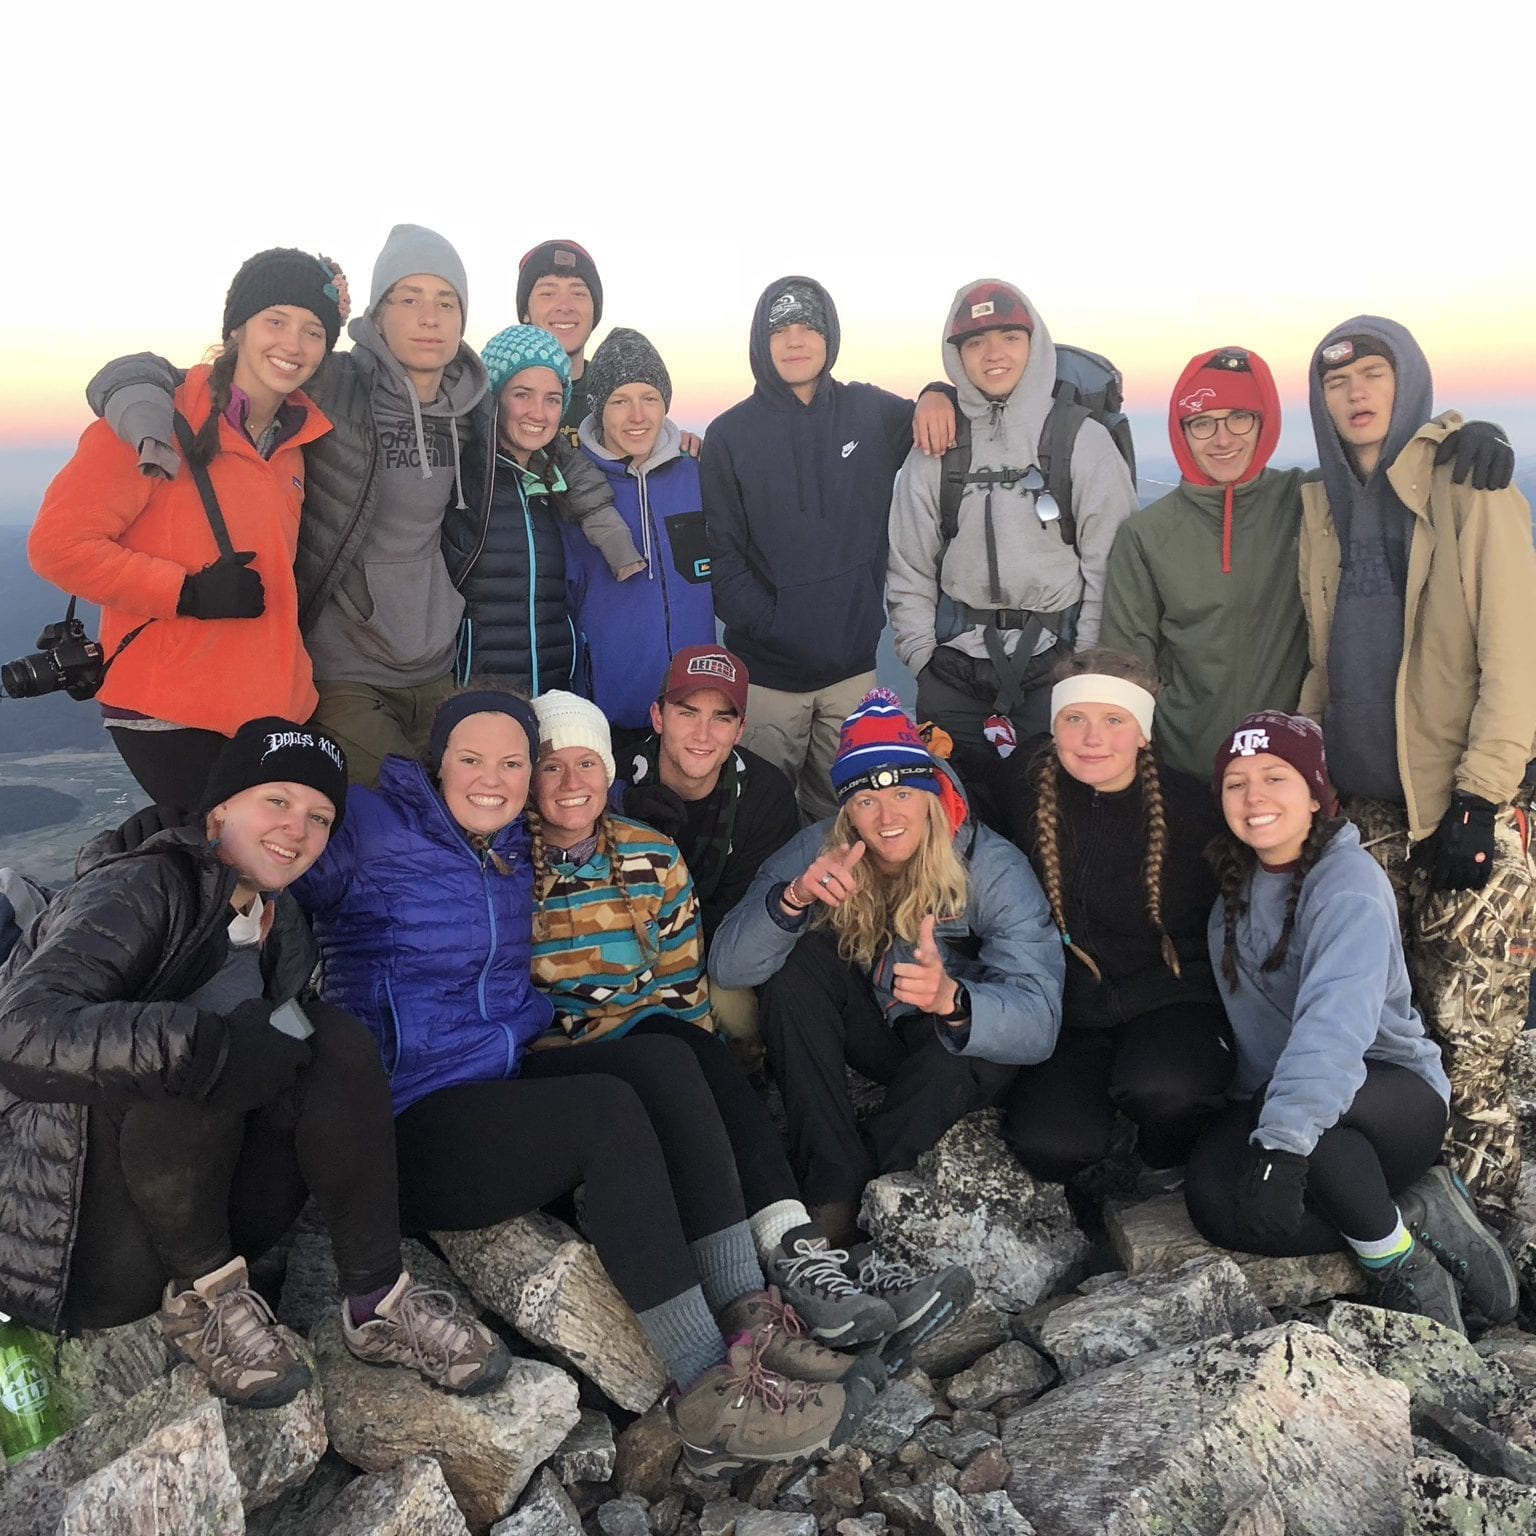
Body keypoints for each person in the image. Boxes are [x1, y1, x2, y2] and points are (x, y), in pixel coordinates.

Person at [293, 688, 881, 1470]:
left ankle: (750, 1319)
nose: (494, 778)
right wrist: (182, 862)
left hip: (496, 1088)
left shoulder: (507, 851)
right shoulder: (374, 830)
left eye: (511, 761)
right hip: (409, 1120)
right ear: (439, 765)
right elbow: (281, 851)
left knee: (668, 1055)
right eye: (472, 759)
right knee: (605, 1112)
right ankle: (710, 1392)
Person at [0, 719, 508, 1406]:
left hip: (216, 1206)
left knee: (331, 1036)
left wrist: (279, 1032)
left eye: (319, 816)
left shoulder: (282, 922)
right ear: (218, 812)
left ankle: (378, 1305)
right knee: (194, 1047)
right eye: (276, 800)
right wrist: (207, 1046)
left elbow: (289, 1023)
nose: (297, 829)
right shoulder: (145, 888)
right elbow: (20, 1032)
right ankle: (206, 1303)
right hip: (89, 1243)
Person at [84, 225, 642, 789]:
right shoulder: (337, 383)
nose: (429, 316)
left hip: (436, 663)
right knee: (406, 809)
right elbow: (217, 375)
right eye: (409, 298)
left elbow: (547, 444)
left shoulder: (469, 407)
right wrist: (132, 391)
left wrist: (669, 445)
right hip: (346, 664)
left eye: (446, 302)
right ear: (378, 314)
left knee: (455, 813)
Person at [527, 690, 970, 1366]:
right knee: (675, 1061)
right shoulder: (506, 869)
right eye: (552, 766)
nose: (571, 784)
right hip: (560, 1052)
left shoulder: (650, 854)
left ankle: (799, 1266)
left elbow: (683, 985)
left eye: (586, 764)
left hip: (653, 1042)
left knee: (692, 1054)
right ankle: (768, 1300)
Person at [1298, 316, 1536, 1216]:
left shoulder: (1470, 486)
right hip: (1364, 810)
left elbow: (1516, 656)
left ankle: (1498, 1240)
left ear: (1410, 383)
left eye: (1373, 373)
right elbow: (1325, 657)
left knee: (1472, 1037)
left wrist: (1482, 796)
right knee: (1390, 1035)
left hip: (1461, 804)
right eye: (1336, 381)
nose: (1356, 393)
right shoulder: (1321, 505)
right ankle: (1410, 1213)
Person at [1184, 712, 1520, 1335]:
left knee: (1321, 1140)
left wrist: (1280, 1147)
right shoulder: (1236, 885)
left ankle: (1394, 1260)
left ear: (1315, 794)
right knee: (1213, 1203)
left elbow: (1333, 1029)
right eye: (1236, 783)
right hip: (1299, 1092)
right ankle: (1414, 1207)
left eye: (1275, 778)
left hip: (1390, 1096)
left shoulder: (1348, 886)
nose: (1254, 797)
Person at [710, 687, 1065, 1243]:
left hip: (954, 1043)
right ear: (847, 807)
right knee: (796, 961)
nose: (886, 816)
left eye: (903, 793)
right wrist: (793, 901)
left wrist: (953, 999)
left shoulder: (991, 866)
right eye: (866, 801)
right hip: (879, 1027)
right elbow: (729, 966)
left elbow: (1040, 1021)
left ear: (931, 792)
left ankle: (863, 1195)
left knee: (952, 1051)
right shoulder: (825, 847)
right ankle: (829, 1178)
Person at [1101, 347, 1515, 782]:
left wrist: (1461, 436)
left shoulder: (1312, 499)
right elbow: (1125, 663)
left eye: (1240, 418)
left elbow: (1386, 470)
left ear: (1266, 422)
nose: (1222, 439)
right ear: (1180, 430)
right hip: (1182, 767)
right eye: (1202, 423)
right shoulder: (1146, 533)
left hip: (1293, 770)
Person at [28, 249, 342, 814]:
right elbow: (58, 547)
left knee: (272, 882)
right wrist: (185, 591)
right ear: (237, 329)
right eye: (276, 321)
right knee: (224, 878)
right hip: (171, 713)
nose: (293, 345)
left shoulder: (294, 444)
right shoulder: (153, 421)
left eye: (313, 331)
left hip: (273, 708)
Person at [701, 277, 955, 823]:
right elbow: (721, 555)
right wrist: (773, 625)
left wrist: (939, 391)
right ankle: (779, 907)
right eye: (780, 329)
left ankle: (839, 913)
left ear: (829, 336)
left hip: (852, 673)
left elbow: (930, 414)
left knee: (846, 816)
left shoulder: (869, 411)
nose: (795, 340)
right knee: (760, 816)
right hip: (768, 678)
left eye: (808, 327)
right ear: (759, 343)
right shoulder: (730, 435)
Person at [887, 280, 1139, 797]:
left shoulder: (1080, 440)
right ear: (956, 356)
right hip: (952, 670)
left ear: (1034, 342)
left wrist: (1084, 668)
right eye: (975, 342)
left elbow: (1109, 565)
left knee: (1052, 816)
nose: (993, 353)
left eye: (1009, 336)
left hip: (1057, 666)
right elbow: (909, 561)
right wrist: (921, 658)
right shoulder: (938, 444)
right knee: (947, 820)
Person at [994, 650, 1233, 1187]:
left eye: (1114, 721)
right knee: (1049, 1146)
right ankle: (1096, 1168)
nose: (1092, 738)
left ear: (1143, 733)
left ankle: (1161, 1159)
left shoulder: (1193, 810)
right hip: (1068, 1009)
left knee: (1169, 1090)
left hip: (1169, 997)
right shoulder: (1025, 783)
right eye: (1074, 719)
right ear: (1054, 728)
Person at [615, 646, 800, 1065]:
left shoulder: (765, 795)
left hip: (715, 947)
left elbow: (747, 917)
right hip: (623, 946)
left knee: (739, 1019)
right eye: (688, 712)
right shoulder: (616, 779)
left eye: (722, 717)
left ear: (740, 730)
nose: (703, 733)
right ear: (658, 717)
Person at [451, 323, 642, 697]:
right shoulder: (462, 473)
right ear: (493, 397)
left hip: (556, 685)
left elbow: (594, 500)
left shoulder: (560, 476)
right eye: (522, 394)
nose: (538, 412)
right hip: (478, 690)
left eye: (553, 399)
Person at [568, 330, 717, 739]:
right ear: (599, 409)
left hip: (694, 715)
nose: (637, 416)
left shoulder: (698, 474)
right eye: (620, 401)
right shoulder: (572, 486)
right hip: (608, 717)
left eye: (649, 398)